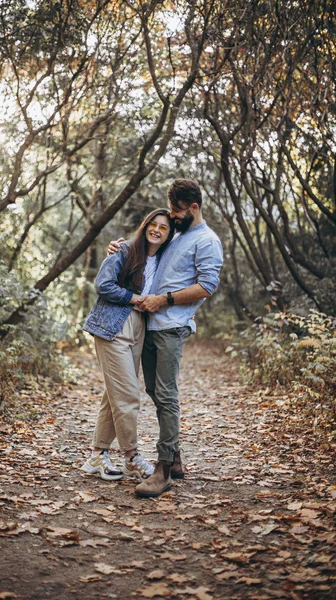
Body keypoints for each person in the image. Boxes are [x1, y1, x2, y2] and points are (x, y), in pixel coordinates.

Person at [108, 179, 223, 497]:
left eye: (176, 210)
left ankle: (163, 470)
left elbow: (206, 286)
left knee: (167, 394)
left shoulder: (207, 241)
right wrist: (120, 249)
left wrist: (165, 300)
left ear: (194, 208)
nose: (172, 215)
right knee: (152, 389)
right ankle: (175, 456)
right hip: (150, 324)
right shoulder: (177, 234)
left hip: (172, 325)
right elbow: (149, 251)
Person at [80, 209, 175, 482]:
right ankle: (131, 457)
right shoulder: (125, 250)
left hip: (139, 328)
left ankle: (98, 454)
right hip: (113, 326)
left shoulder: (164, 260)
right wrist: (134, 298)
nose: (157, 230)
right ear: (145, 226)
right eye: (153, 225)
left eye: (164, 228)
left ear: (169, 235)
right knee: (128, 395)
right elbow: (103, 285)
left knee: (113, 396)